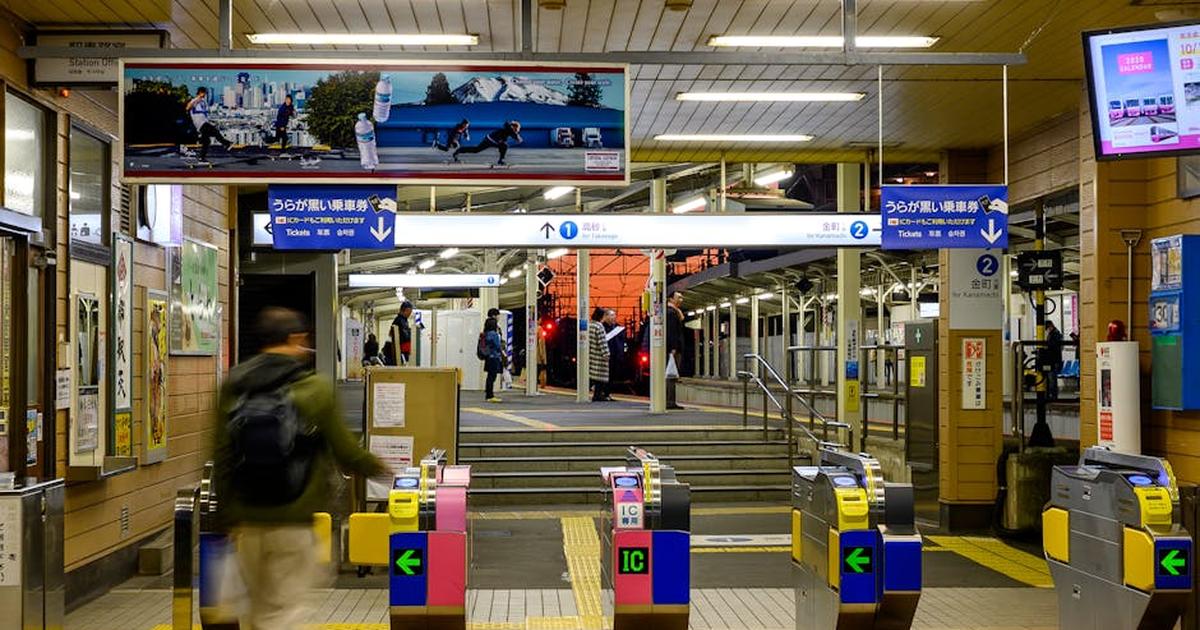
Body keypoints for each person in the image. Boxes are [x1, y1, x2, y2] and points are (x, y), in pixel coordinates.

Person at [211, 307, 387, 629]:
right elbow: (346, 451)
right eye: (303, 341)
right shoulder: (314, 389)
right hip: (294, 521)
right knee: (288, 611)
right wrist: (381, 468)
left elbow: (220, 456)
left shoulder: (233, 385)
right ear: (293, 339)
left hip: (247, 523)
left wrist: (224, 518)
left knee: (254, 612)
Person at [185, 87, 232, 160]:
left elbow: (205, 113)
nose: (205, 94)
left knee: (206, 141)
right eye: (204, 93)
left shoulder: (204, 102)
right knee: (215, 132)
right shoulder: (195, 100)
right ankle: (227, 143)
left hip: (203, 123)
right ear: (200, 93)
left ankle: (201, 158)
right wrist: (197, 100)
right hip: (200, 123)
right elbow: (187, 108)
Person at [452, 120, 522, 166]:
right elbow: (508, 126)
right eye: (515, 129)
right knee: (476, 150)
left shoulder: (511, 131)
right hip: (489, 140)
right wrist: (517, 137)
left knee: (504, 146)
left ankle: (501, 160)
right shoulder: (509, 128)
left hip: (496, 142)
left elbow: (514, 135)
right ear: (513, 127)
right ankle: (459, 150)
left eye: (517, 130)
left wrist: (518, 138)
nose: (516, 131)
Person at [665, 291, 686, 410]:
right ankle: (670, 401)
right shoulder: (672, 313)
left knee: (671, 375)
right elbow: (672, 332)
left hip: (673, 348)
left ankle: (669, 400)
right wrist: (673, 348)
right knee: (671, 375)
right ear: (671, 299)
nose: (681, 300)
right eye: (679, 298)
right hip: (673, 349)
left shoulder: (673, 312)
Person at [589, 307, 611, 402]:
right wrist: (606, 353)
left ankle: (596, 394)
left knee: (593, 376)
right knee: (600, 377)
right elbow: (602, 341)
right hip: (599, 355)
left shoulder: (589, 325)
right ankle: (597, 395)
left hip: (591, 353)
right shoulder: (599, 326)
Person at [603, 309, 625, 400]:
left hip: (616, 355)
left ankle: (608, 393)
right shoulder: (602, 327)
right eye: (611, 315)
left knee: (612, 375)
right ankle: (604, 393)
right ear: (605, 316)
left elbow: (622, 341)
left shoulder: (618, 328)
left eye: (614, 315)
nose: (613, 317)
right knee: (605, 375)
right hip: (607, 355)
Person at [482, 316, 505, 403]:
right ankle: (490, 395)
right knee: (492, 377)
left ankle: (488, 394)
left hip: (488, 357)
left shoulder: (486, 333)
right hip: (494, 357)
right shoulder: (494, 334)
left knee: (489, 377)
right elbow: (498, 346)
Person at [1043, 320, 1064, 400]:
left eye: (1047, 328)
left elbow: (1053, 347)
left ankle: (1053, 395)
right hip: (1053, 359)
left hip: (1053, 359)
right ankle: (1051, 395)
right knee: (1050, 378)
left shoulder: (1055, 334)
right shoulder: (1055, 333)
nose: (1047, 330)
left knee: (1052, 378)